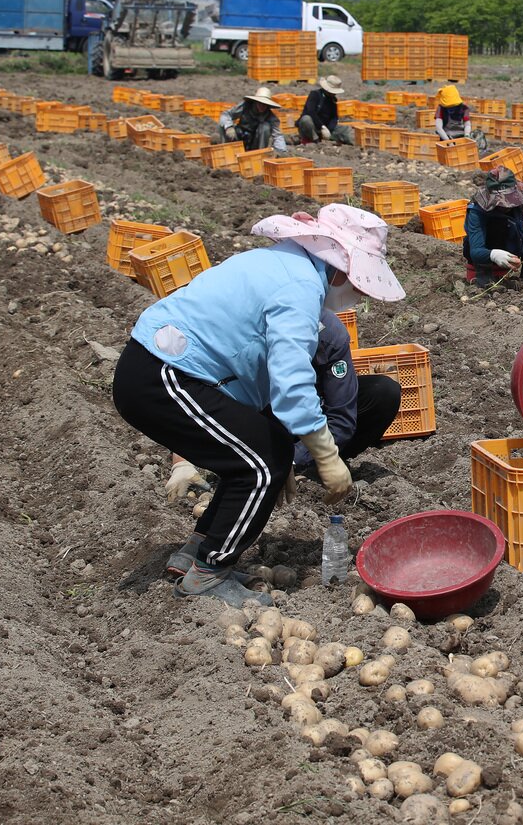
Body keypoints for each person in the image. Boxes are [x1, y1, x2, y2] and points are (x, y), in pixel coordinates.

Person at [112, 204, 405, 606]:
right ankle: (209, 574)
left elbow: (258, 372)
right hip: (163, 373)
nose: (356, 293)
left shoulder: (283, 264)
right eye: (358, 282)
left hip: (168, 371)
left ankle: (196, 552)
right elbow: (291, 380)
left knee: (260, 457)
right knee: (259, 466)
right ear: (341, 266)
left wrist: (280, 449)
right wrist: (324, 454)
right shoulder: (299, 285)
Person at [163, 311, 405, 564]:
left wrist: (302, 458)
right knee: (256, 460)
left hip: (313, 417)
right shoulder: (252, 331)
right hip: (263, 418)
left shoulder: (331, 336)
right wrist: (182, 461)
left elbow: (342, 416)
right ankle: (204, 550)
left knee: (382, 391)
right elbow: (202, 396)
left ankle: (311, 467)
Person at [218, 86, 288, 152]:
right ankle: (226, 151)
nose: (262, 106)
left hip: (254, 144)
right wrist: (229, 127)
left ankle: (260, 154)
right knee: (222, 125)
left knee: (265, 127)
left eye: (265, 104)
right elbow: (226, 115)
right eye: (260, 103)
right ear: (256, 102)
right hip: (239, 137)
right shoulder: (245, 106)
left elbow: (277, 135)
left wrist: (282, 150)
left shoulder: (270, 117)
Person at [297, 75, 354, 146]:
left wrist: (329, 129)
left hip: (326, 127)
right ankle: (315, 140)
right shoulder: (315, 95)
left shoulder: (332, 100)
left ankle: (353, 141)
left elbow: (334, 117)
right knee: (306, 119)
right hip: (313, 127)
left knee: (345, 129)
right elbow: (311, 112)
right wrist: (322, 127)